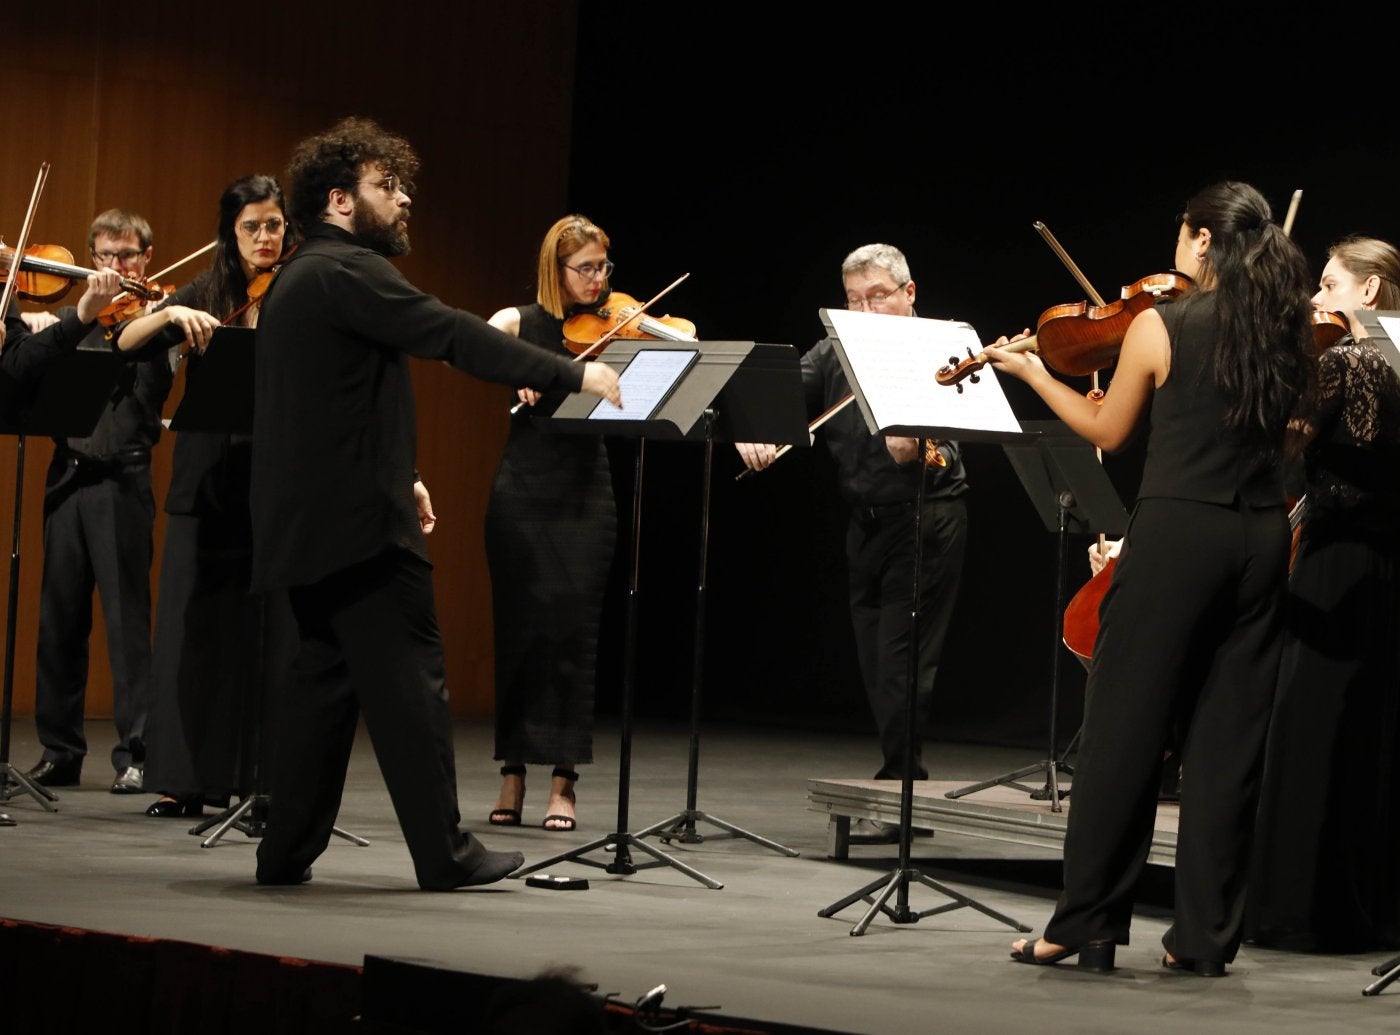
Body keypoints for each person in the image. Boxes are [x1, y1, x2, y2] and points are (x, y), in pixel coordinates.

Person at [247, 116, 620, 890]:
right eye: (389, 186)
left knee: (322, 689)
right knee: (414, 686)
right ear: (342, 199)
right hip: (358, 531)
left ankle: (283, 852)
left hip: (312, 524)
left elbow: (329, 407)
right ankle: (444, 855)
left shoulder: (302, 275)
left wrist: (400, 471)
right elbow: (447, 331)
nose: (406, 198)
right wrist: (570, 374)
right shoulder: (344, 269)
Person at [988, 181, 1315, 975]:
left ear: (1202, 241)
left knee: (1122, 737)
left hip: (1177, 534)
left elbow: (1108, 428)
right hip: (1263, 537)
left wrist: (1034, 375)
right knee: (1226, 743)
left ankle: (1085, 922)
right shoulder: (1291, 330)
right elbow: (1298, 440)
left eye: (1181, 233)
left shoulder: (1159, 326)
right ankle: (1203, 940)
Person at [737, 243, 969, 840]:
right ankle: (900, 780)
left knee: (903, 661)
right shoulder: (838, 346)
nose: (864, 310)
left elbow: (942, 446)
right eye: (854, 300)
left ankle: (901, 793)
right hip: (864, 522)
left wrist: (914, 447)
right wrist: (758, 429)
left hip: (925, 517)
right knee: (875, 659)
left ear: (909, 293)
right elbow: (788, 387)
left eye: (878, 297)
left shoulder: (942, 346)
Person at [115, 174, 299, 820]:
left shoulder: (299, 290)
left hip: (275, 481)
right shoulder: (210, 289)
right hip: (206, 479)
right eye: (252, 226)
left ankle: (261, 781)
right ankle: (185, 777)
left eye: (274, 224)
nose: (266, 238)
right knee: (193, 636)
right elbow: (125, 340)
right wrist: (167, 313)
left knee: (265, 638)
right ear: (231, 232)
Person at [1245, 235, 1400, 953]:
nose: (1316, 298)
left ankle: (1302, 909)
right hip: (1389, 572)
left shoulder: (1342, 362)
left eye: (1330, 284)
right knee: (1373, 735)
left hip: (1336, 567)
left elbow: (1274, 449)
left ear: (1369, 293)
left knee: (1313, 731)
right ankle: (1371, 906)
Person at [19, 210, 175, 795]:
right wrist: (41, 320)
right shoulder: (71, 318)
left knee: (126, 623)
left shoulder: (156, 321)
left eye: (128, 255)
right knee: (57, 622)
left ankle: (138, 752)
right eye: (106, 256)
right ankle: (60, 750)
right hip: (67, 479)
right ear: (90, 256)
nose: (115, 267)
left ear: (147, 259)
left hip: (121, 481)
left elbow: (135, 357)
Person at [483, 215, 618, 832]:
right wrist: (521, 368)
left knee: (573, 637)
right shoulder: (518, 323)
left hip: (585, 495)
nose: (597, 280)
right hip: (523, 495)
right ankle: (513, 770)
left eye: (602, 268)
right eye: (585, 268)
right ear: (554, 269)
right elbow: (480, 348)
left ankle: (564, 781)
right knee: (520, 632)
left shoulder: (614, 330)